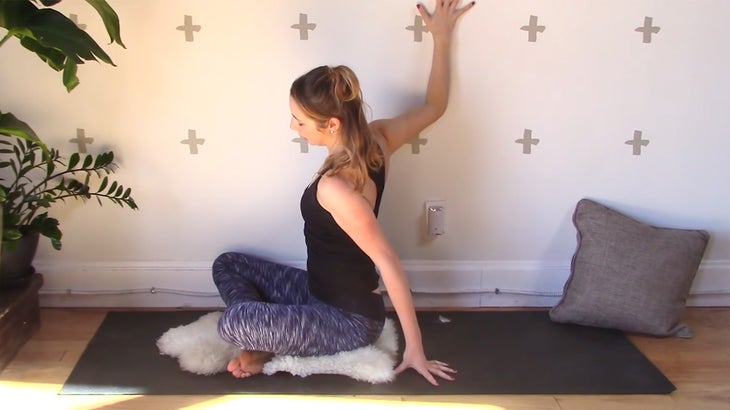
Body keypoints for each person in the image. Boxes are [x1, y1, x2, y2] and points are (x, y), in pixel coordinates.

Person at [212, 0, 474, 386]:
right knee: (228, 263)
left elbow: (389, 264)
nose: (292, 125)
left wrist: (414, 349)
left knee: (234, 323)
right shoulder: (379, 138)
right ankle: (271, 334)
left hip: (346, 321)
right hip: (316, 292)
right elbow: (435, 106)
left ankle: (265, 339)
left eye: (300, 120)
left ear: (331, 124)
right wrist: (441, 37)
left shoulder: (337, 189)